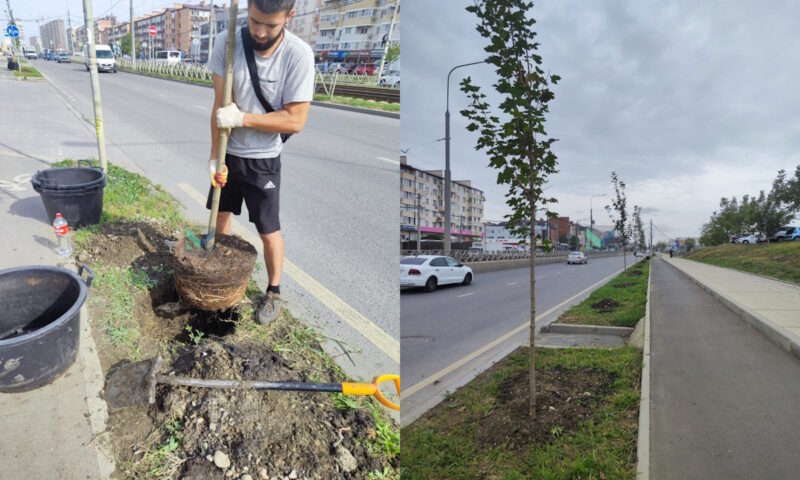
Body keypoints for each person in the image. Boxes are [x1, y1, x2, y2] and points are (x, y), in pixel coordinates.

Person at [207, 0, 315, 325]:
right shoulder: (227, 43)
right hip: (228, 152)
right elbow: (218, 105)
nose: (260, 31)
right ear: (248, 8)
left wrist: (243, 118)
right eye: (255, 21)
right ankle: (220, 276)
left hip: (263, 161)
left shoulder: (298, 56)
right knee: (220, 216)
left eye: (270, 25)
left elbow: (295, 120)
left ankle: (273, 291)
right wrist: (215, 157)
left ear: (289, 16)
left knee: (268, 231)